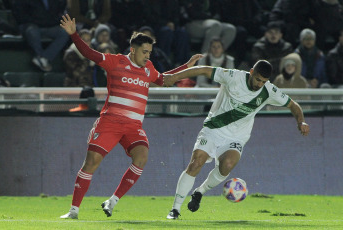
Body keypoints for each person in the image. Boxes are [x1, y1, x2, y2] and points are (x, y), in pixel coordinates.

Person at [59, 14, 202, 219]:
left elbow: (166, 80)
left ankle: (112, 201)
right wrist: (74, 35)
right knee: (91, 162)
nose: (148, 56)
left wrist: (187, 67)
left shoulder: (149, 69)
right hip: (110, 122)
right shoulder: (115, 61)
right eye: (145, 52)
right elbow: (89, 53)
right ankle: (74, 211)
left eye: (150, 52)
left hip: (133, 126)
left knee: (141, 158)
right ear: (132, 50)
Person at [162, 60, 310, 219]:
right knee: (196, 163)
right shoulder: (233, 76)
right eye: (258, 79)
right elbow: (204, 69)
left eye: (264, 81)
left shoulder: (269, 90)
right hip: (214, 128)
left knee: (227, 165)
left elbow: (293, 105)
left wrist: (300, 121)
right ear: (252, 72)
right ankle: (175, 209)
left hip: (237, 137)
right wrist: (174, 77)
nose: (259, 84)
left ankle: (199, 192)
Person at [11, 0, 69, 72]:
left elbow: (59, 13)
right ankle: (38, 56)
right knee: (32, 31)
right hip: (30, 25)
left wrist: (47, 22)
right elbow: (21, 16)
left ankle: (44, 58)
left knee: (65, 31)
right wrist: (42, 21)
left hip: (49, 25)